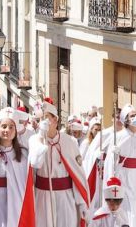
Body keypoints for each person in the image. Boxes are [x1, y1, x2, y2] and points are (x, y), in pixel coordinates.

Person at [20, 97, 89, 227]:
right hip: (42, 196)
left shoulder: (70, 141)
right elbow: (35, 163)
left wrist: (82, 203)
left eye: (46, 117)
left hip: (65, 196)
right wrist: (42, 137)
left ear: (55, 120)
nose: (43, 121)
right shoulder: (34, 140)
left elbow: (78, 174)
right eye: (40, 119)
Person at [103, 104, 136, 227]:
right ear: (126, 119)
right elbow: (111, 162)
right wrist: (113, 155)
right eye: (132, 115)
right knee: (125, 208)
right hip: (123, 176)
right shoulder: (118, 137)